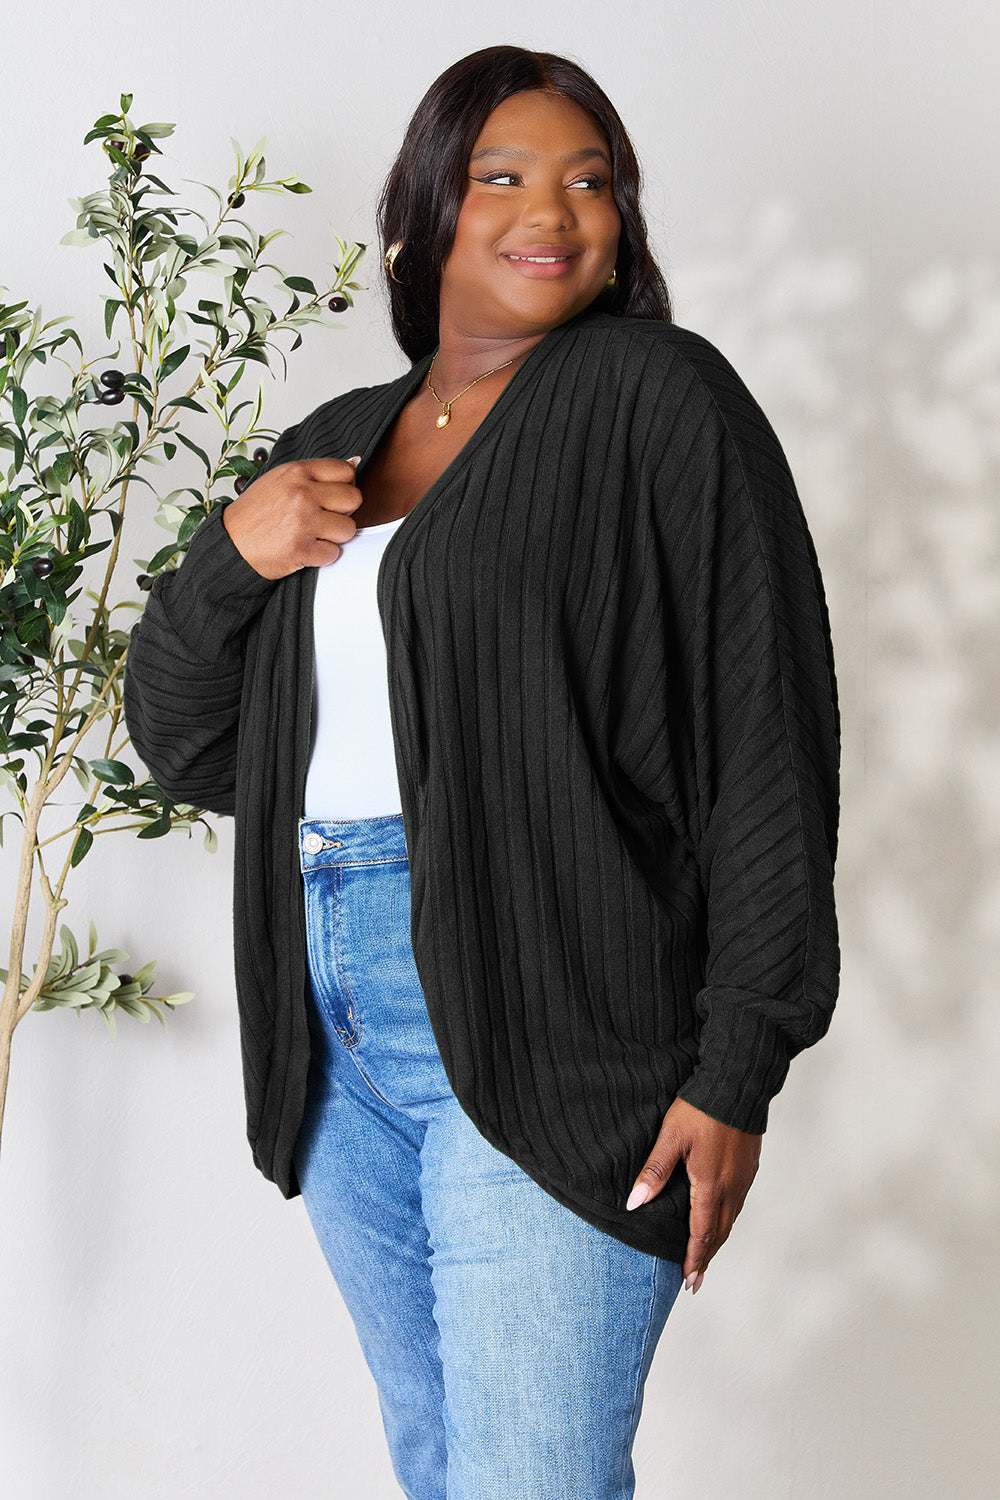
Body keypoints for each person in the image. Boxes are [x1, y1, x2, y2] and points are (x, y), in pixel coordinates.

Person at [123, 43, 840, 1500]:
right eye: (501, 176)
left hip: (557, 995)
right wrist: (229, 558)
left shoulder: (657, 397)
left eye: (592, 182)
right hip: (333, 1039)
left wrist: (740, 1061)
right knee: (447, 1464)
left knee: (531, 1480)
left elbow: (768, 731)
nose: (553, 212)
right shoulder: (332, 450)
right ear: (423, 217)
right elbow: (191, 744)